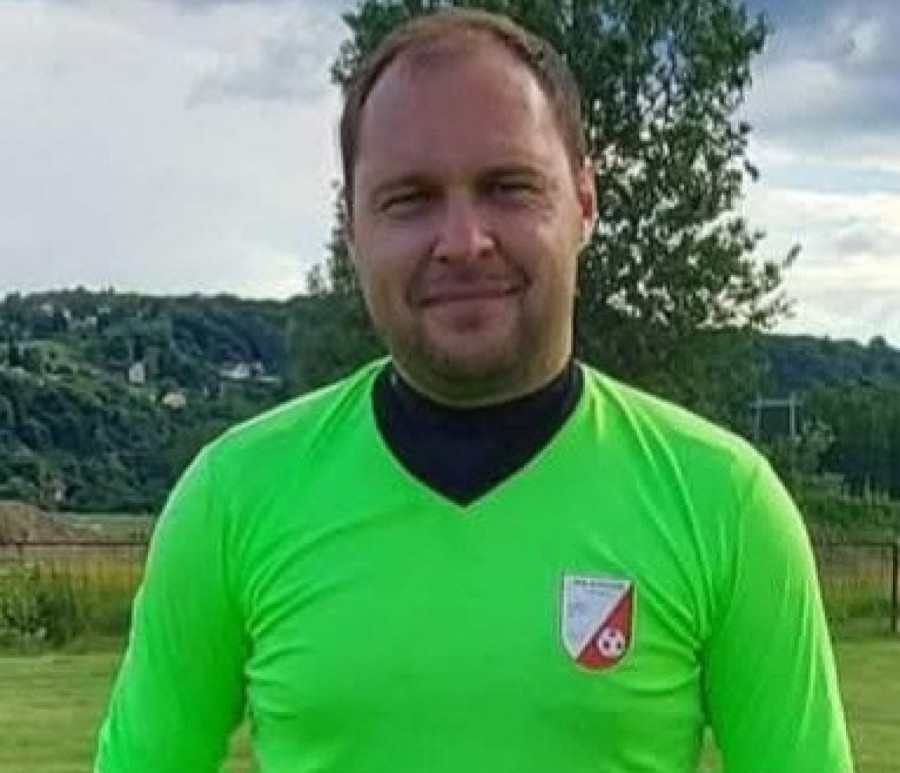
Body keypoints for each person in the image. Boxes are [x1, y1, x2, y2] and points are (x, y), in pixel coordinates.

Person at [95, 9, 853, 773]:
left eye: (508, 187)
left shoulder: (724, 502)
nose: (462, 242)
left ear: (585, 202)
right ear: (352, 230)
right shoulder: (233, 498)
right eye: (410, 198)